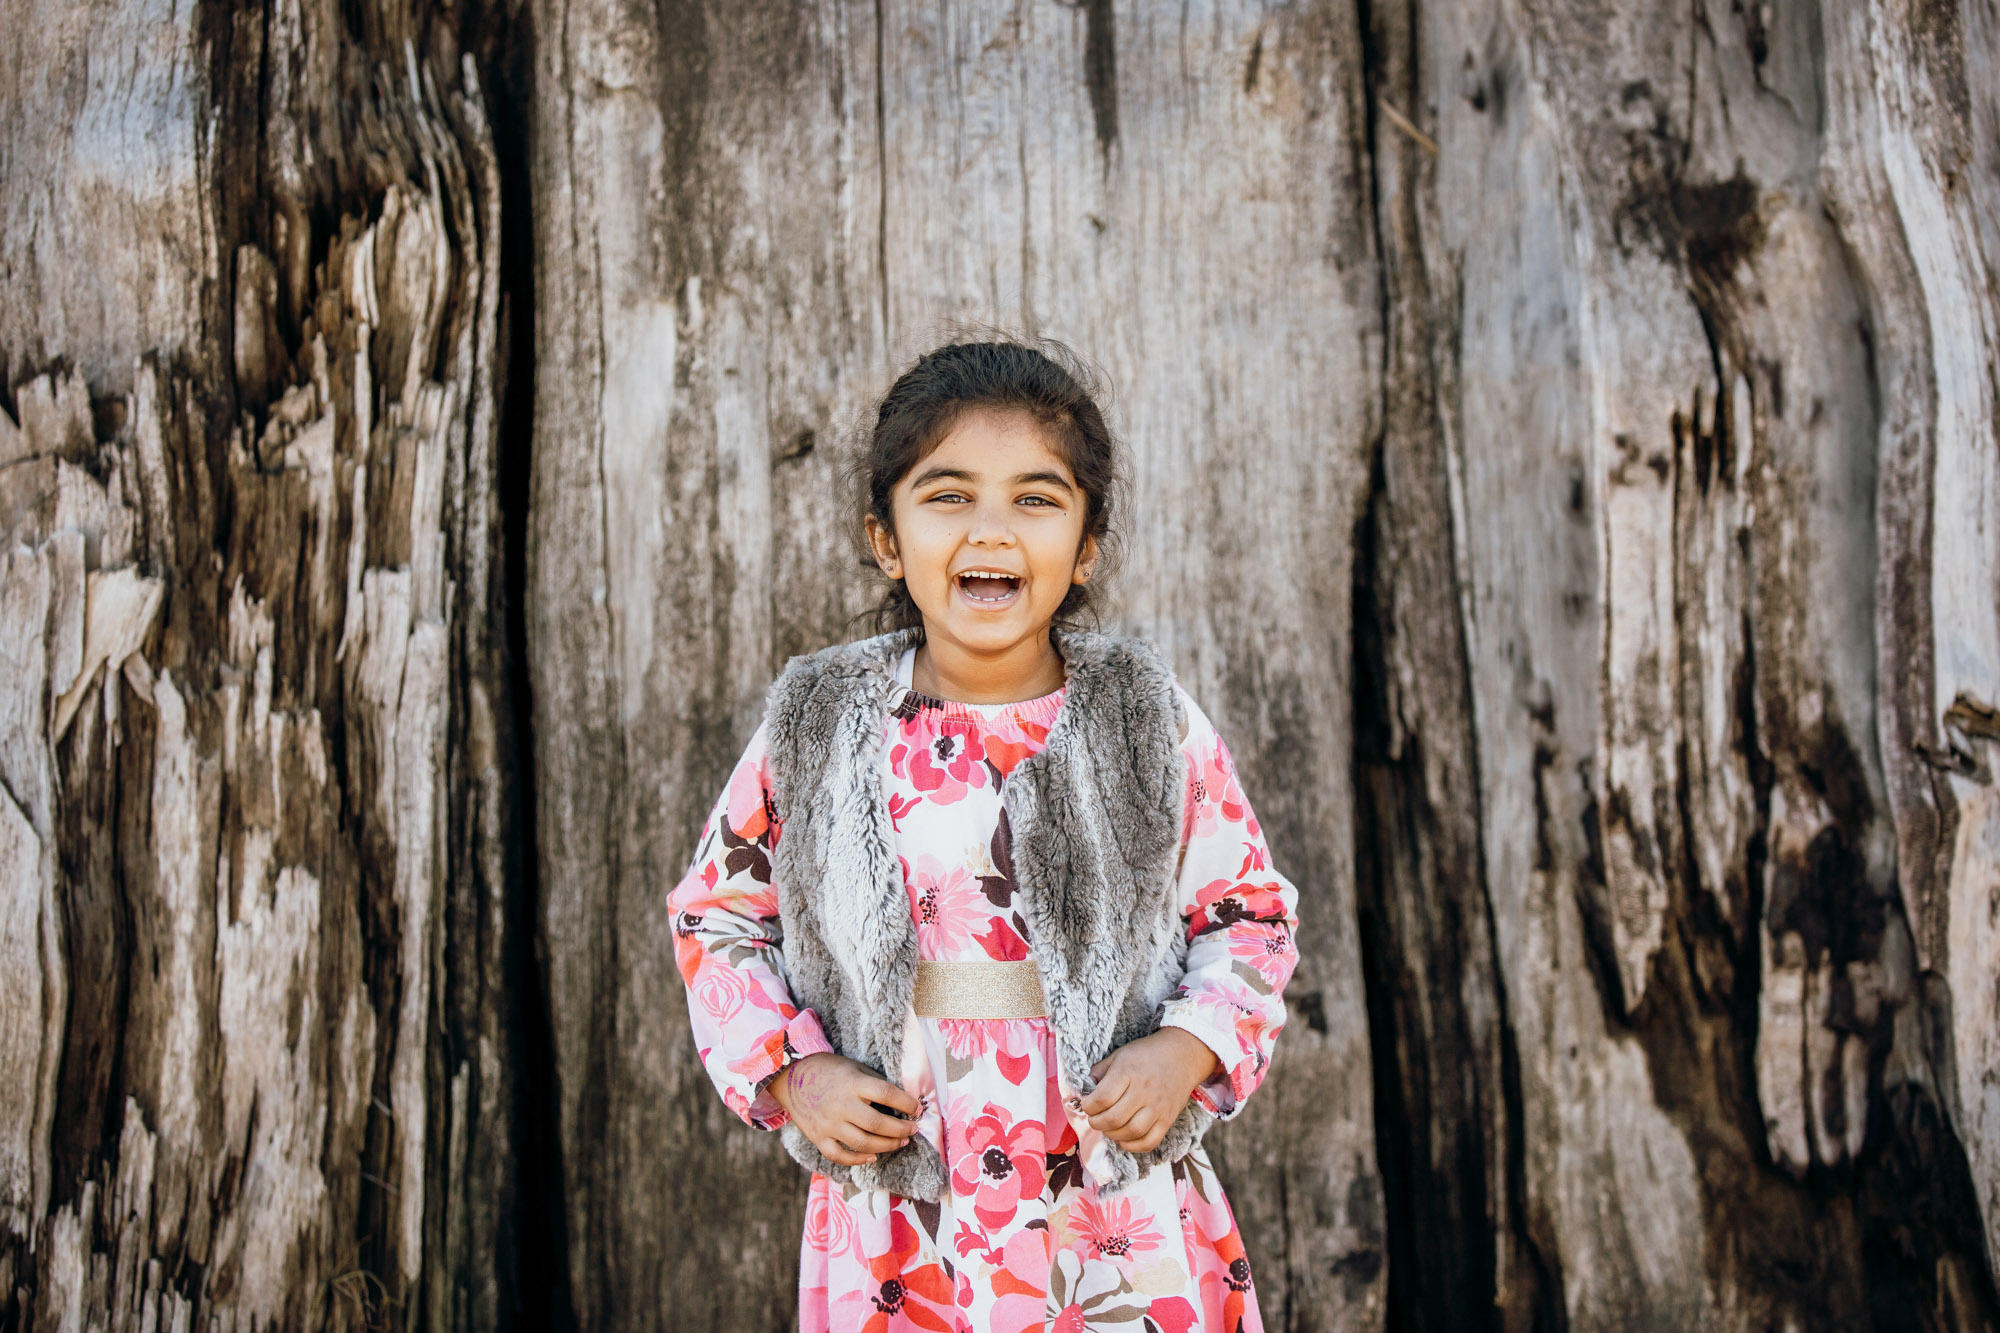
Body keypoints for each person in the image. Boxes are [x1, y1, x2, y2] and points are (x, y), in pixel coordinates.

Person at [667, 340, 1299, 1332]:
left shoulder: (1140, 718)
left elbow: (1249, 914)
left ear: (1086, 545)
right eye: (948, 495)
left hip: (1099, 1186)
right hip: (904, 1196)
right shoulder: (819, 723)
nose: (990, 530)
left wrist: (1185, 1047)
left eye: (1036, 500)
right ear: (886, 539)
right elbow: (716, 918)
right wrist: (795, 1070)